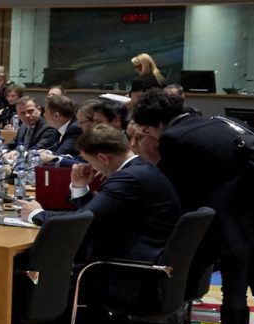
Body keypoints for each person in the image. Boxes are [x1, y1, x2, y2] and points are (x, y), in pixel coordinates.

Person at [130, 87, 254, 324]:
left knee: (234, 290)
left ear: (157, 124)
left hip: (237, 218)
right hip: (252, 207)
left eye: (147, 129)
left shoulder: (174, 138)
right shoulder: (213, 122)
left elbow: (174, 189)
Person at [22, 124, 181, 313]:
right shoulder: (140, 170)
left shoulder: (128, 179)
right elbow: (99, 214)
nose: (90, 167)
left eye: (90, 161)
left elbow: (83, 220)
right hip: (149, 264)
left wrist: (36, 214)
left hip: (130, 273)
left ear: (103, 158)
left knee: (35, 272)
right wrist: (80, 186)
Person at [36, 92, 80, 163]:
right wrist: (47, 151)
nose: (44, 115)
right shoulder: (58, 128)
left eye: (45, 112)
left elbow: (58, 155)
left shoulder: (76, 129)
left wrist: (47, 154)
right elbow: (50, 147)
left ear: (56, 116)